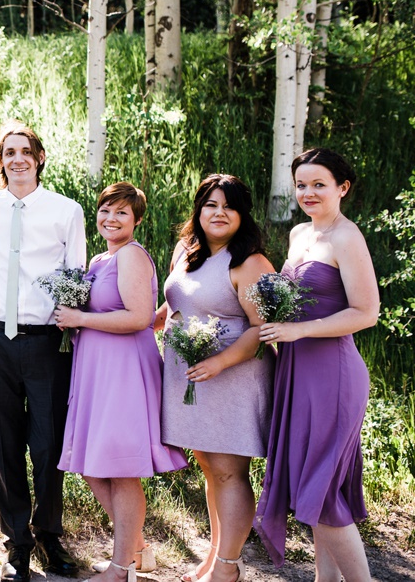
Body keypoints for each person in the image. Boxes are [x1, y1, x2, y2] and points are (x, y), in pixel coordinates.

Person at [0, 120, 86, 582]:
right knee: (5, 443)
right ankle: (15, 543)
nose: (17, 158)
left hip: (45, 342)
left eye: (25, 151)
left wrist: (68, 325)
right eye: (8, 152)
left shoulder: (66, 210)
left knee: (48, 444)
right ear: (0, 161)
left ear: (38, 157)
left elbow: (74, 272)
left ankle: (49, 535)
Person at [254, 148, 378, 582]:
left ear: (342, 188)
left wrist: (299, 331)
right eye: (301, 184)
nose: (308, 192)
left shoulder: (347, 236)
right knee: (317, 493)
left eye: (319, 184)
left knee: (321, 491)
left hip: (332, 374)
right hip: (296, 372)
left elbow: (366, 312)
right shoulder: (300, 235)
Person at [55, 182, 187, 582]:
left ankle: (120, 568)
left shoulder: (131, 256)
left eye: (121, 213)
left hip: (125, 370)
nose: (110, 219)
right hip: (96, 370)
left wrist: (80, 319)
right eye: (105, 211)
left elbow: (138, 317)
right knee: (92, 466)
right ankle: (138, 551)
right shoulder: (98, 259)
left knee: (120, 468)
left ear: (137, 220)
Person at [155, 174, 275, 582]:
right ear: (199, 210)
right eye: (211, 205)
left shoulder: (251, 263)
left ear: (242, 214)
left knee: (228, 471)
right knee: (210, 467)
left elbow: (262, 329)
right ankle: (213, 557)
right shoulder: (187, 250)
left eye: (229, 206)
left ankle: (229, 567)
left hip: (232, 377)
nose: (219, 213)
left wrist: (220, 362)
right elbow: (177, 299)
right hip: (189, 375)